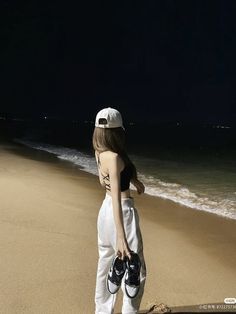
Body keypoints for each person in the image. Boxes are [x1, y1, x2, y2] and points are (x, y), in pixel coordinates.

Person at [93, 107, 147, 314]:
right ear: (118, 132)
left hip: (104, 211)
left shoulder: (100, 152)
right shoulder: (115, 158)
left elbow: (104, 182)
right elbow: (116, 196)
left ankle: (102, 311)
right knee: (135, 271)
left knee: (106, 264)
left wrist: (133, 180)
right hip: (121, 212)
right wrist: (121, 237)